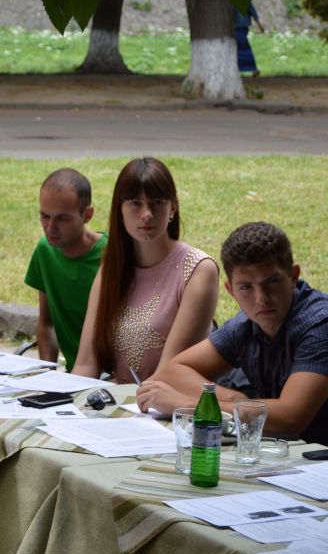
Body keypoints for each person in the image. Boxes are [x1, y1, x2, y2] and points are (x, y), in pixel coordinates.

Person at [137, 222, 328, 444]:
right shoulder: (245, 325)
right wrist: (231, 398)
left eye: (272, 282)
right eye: (246, 287)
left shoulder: (319, 325)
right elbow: (174, 370)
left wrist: (187, 405)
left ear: (293, 276)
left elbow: (291, 417)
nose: (261, 299)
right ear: (231, 290)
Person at [72, 157, 218, 383]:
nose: (147, 213)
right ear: (119, 211)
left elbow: (166, 376)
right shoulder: (111, 269)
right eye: (135, 203)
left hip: (169, 410)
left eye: (157, 202)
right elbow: (85, 364)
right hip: (116, 406)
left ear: (173, 208)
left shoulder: (198, 270)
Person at [24, 168, 106, 371]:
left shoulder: (111, 254)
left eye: (62, 218)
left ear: (87, 214)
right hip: (74, 377)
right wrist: (48, 373)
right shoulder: (45, 251)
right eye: (44, 216)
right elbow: (46, 324)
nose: (50, 227)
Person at [235, 2, 265, 77]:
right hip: (237, 27)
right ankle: (250, 68)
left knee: (244, 47)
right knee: (240, 48)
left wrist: (259, 25)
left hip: (242, 26)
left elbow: (252, 11)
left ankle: (252, 68)